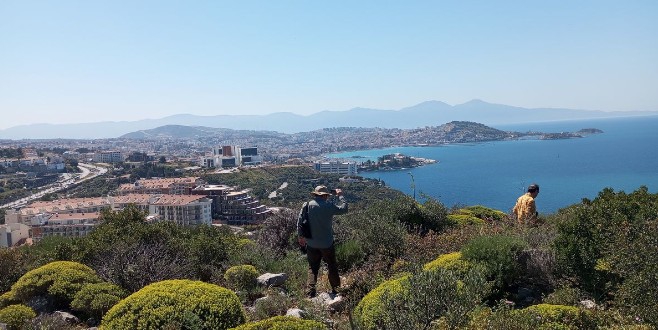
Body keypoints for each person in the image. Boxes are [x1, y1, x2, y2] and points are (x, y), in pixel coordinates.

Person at [297, 185, 348, 298]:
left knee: (313, 267)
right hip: (327, 244)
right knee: (331, 266)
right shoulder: (329, 205)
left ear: (315, 195)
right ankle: (336, 290)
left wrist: (301, 237)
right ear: (325, 196)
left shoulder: (307, 205)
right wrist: (340, 195)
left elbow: (300, 222)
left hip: (311, 243)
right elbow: (344, 209)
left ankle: (310, 293)